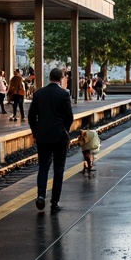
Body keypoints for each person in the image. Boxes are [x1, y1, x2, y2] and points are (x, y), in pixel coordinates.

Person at [27, 66, 78, 211]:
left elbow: (31, 115)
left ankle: (41, 196)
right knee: (58, 168)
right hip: (59, 136)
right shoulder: (63, 94)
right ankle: (54, 202)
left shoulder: (39, 94)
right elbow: (69, 116)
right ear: (61, 79)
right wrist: (65, 130)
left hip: (43, 136)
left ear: (49, 77)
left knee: (43, 167)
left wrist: (35, 132)